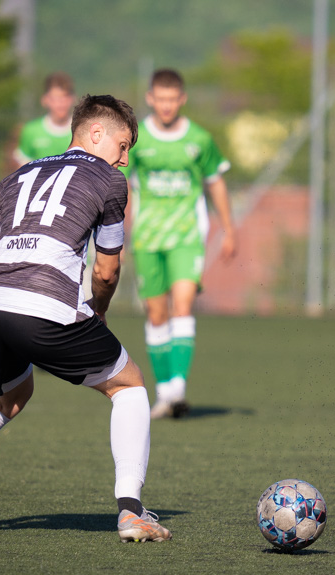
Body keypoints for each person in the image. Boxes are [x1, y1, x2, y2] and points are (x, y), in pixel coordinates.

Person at [0, 94, 172, 542]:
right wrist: (98, 311)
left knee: (11, 395)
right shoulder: (109, 181)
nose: (124, 159)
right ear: (96, 134)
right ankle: (131, 511)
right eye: (123, 145)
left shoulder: (15, 176)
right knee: (130, 385)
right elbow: (107, 268)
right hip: (45, 307)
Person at [121, 68, 236, 420]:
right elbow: (121, 187)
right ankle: (165, 391)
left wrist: (229, 229)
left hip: (187, 236)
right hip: (148, 236)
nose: (167, 105)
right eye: (161, 99)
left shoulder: (199, 139)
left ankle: (178, 389)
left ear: (181, 100)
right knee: (157, 314)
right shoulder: (136, 139)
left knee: (183, 304)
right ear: (151, 98)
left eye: (173, 99)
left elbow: (215, 182)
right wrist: (116, 236)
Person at [12, 72, 77, 167]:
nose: (61, 103)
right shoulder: (31, 130)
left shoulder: (81, 130)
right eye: (56, 98)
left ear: (73, 99)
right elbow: (23, 169)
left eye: (65, 97)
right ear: (45, 100)